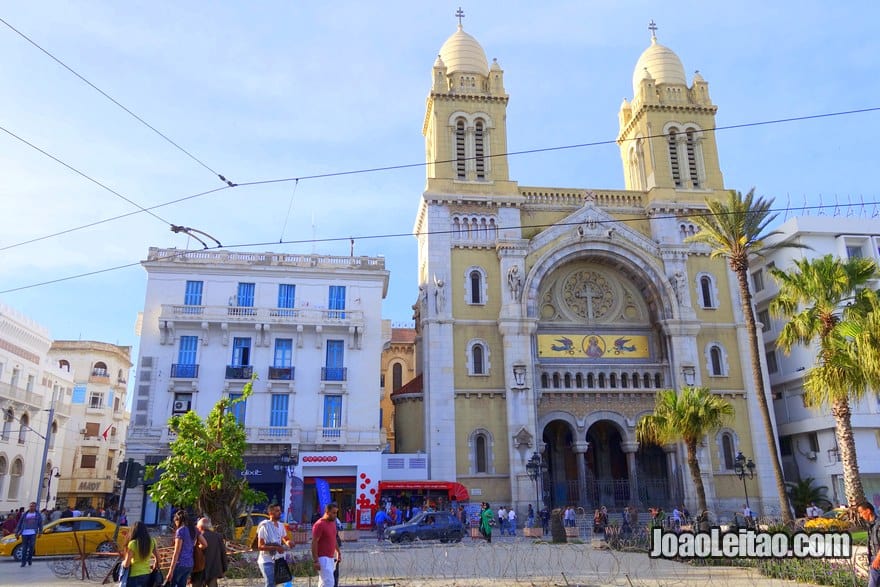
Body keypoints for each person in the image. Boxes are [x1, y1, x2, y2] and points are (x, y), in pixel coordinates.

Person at [165, 509, 206, 587]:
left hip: (180, 563)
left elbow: (176, 553)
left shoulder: (180, 531)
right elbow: (205, 544)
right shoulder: (195, 529)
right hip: (190, 564)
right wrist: (194, 547)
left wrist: (170, 571)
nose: (176, 525)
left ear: (178, 520)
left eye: (175, 522)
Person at [258, 503, 293, 587]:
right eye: (277, 511)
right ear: (270, 513)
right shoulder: (264, 526)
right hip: (266, 560)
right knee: (270, 583)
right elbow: (260, 546)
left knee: (276, 583)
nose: (280, 512)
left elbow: (285, 538)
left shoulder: (281, 526)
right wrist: (276, 548)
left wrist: (289, 542)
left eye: (280, 510)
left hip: (278, 559)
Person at [191, 516, 227, 587]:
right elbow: (223, 553)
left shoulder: (197, 537)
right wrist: (224, 569)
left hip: (198, 570)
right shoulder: (218, 536)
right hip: (214, 569)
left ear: (200, 527)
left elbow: (192, 554)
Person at [312, 502, 341, 587]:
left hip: (331, 557)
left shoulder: (332, 523)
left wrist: (338, 552)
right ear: (327, 512)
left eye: (336, 513)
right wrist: (316, 560)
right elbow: (314, 542)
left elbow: (334, 538)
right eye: (333, 513)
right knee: (329, 583)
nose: (335, 515)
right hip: (322, 558)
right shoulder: (319, 524)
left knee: (324, 583)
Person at [121, 521, 156, 587]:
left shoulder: (133, 544)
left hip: (134, 575)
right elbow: (158, 558)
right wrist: (154, 567)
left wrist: (122, 563)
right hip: (147, 574)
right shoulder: (152, 541)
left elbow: (126, 564)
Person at [857, 501, 880, 587]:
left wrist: (877, 560)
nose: (860, 515)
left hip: (877, 559)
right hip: (873, 558)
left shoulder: (878, 524)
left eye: (861, 512)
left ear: (868, 511)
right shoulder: (870, 525)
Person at [14, 502, 42, 567]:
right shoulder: (24, 514)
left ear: (35, 507)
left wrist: (40, 531)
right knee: (24, 547)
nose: (32, 507)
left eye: (33, 506)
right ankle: (23, 562)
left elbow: (40, 523)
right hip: (24, 533)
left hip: (33, 533)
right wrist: (17, 532)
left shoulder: (38, 514)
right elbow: (20, 523)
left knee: (32, 547)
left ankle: (29, 559)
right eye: (31, 506)